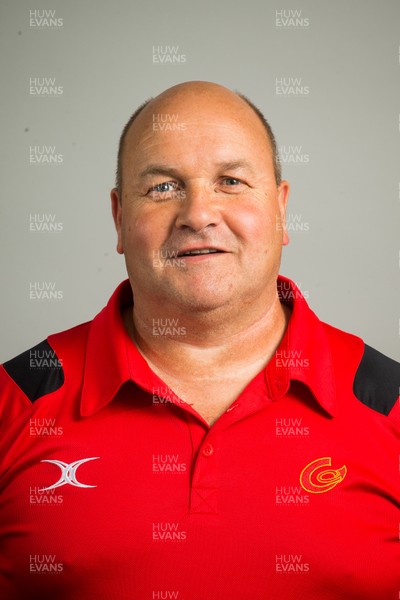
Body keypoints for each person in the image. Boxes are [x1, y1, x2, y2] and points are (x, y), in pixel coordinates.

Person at [0, 81, 399, 600]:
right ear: (120, 219)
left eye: (231, 181)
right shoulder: (15, 401)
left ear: (281, 210)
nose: (198, 214)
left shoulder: (389, 404)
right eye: (163, 187)